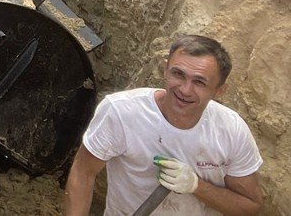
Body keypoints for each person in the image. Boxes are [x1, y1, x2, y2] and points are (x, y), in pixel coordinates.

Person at [64, 34, 262, 216]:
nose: (185, 90)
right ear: (165, 69)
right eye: (178, 74)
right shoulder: (122, 112)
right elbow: (83, 173)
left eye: (199, 82)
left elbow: (249, 206)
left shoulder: (231, 130)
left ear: (219, 91)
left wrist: (196, 186)